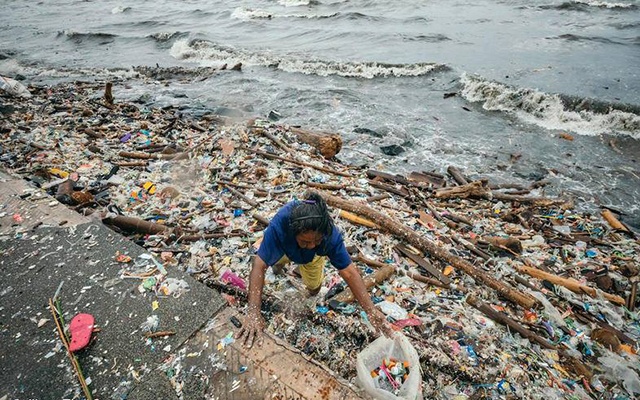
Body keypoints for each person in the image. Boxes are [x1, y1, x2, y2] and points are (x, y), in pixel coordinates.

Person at [238, 192, 393, 348]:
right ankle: (279, 265)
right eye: (305, 241)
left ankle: (303, 278)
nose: (312, 244)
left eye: (316, 241)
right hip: (284, 249)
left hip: (312, 258)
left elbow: (349, 272)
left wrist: (371, 310)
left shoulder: (329, 236)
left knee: (314, 287)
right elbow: (259, 265)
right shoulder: (281, 225)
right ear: (294, 232)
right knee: (272, 260)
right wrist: (253, 312)